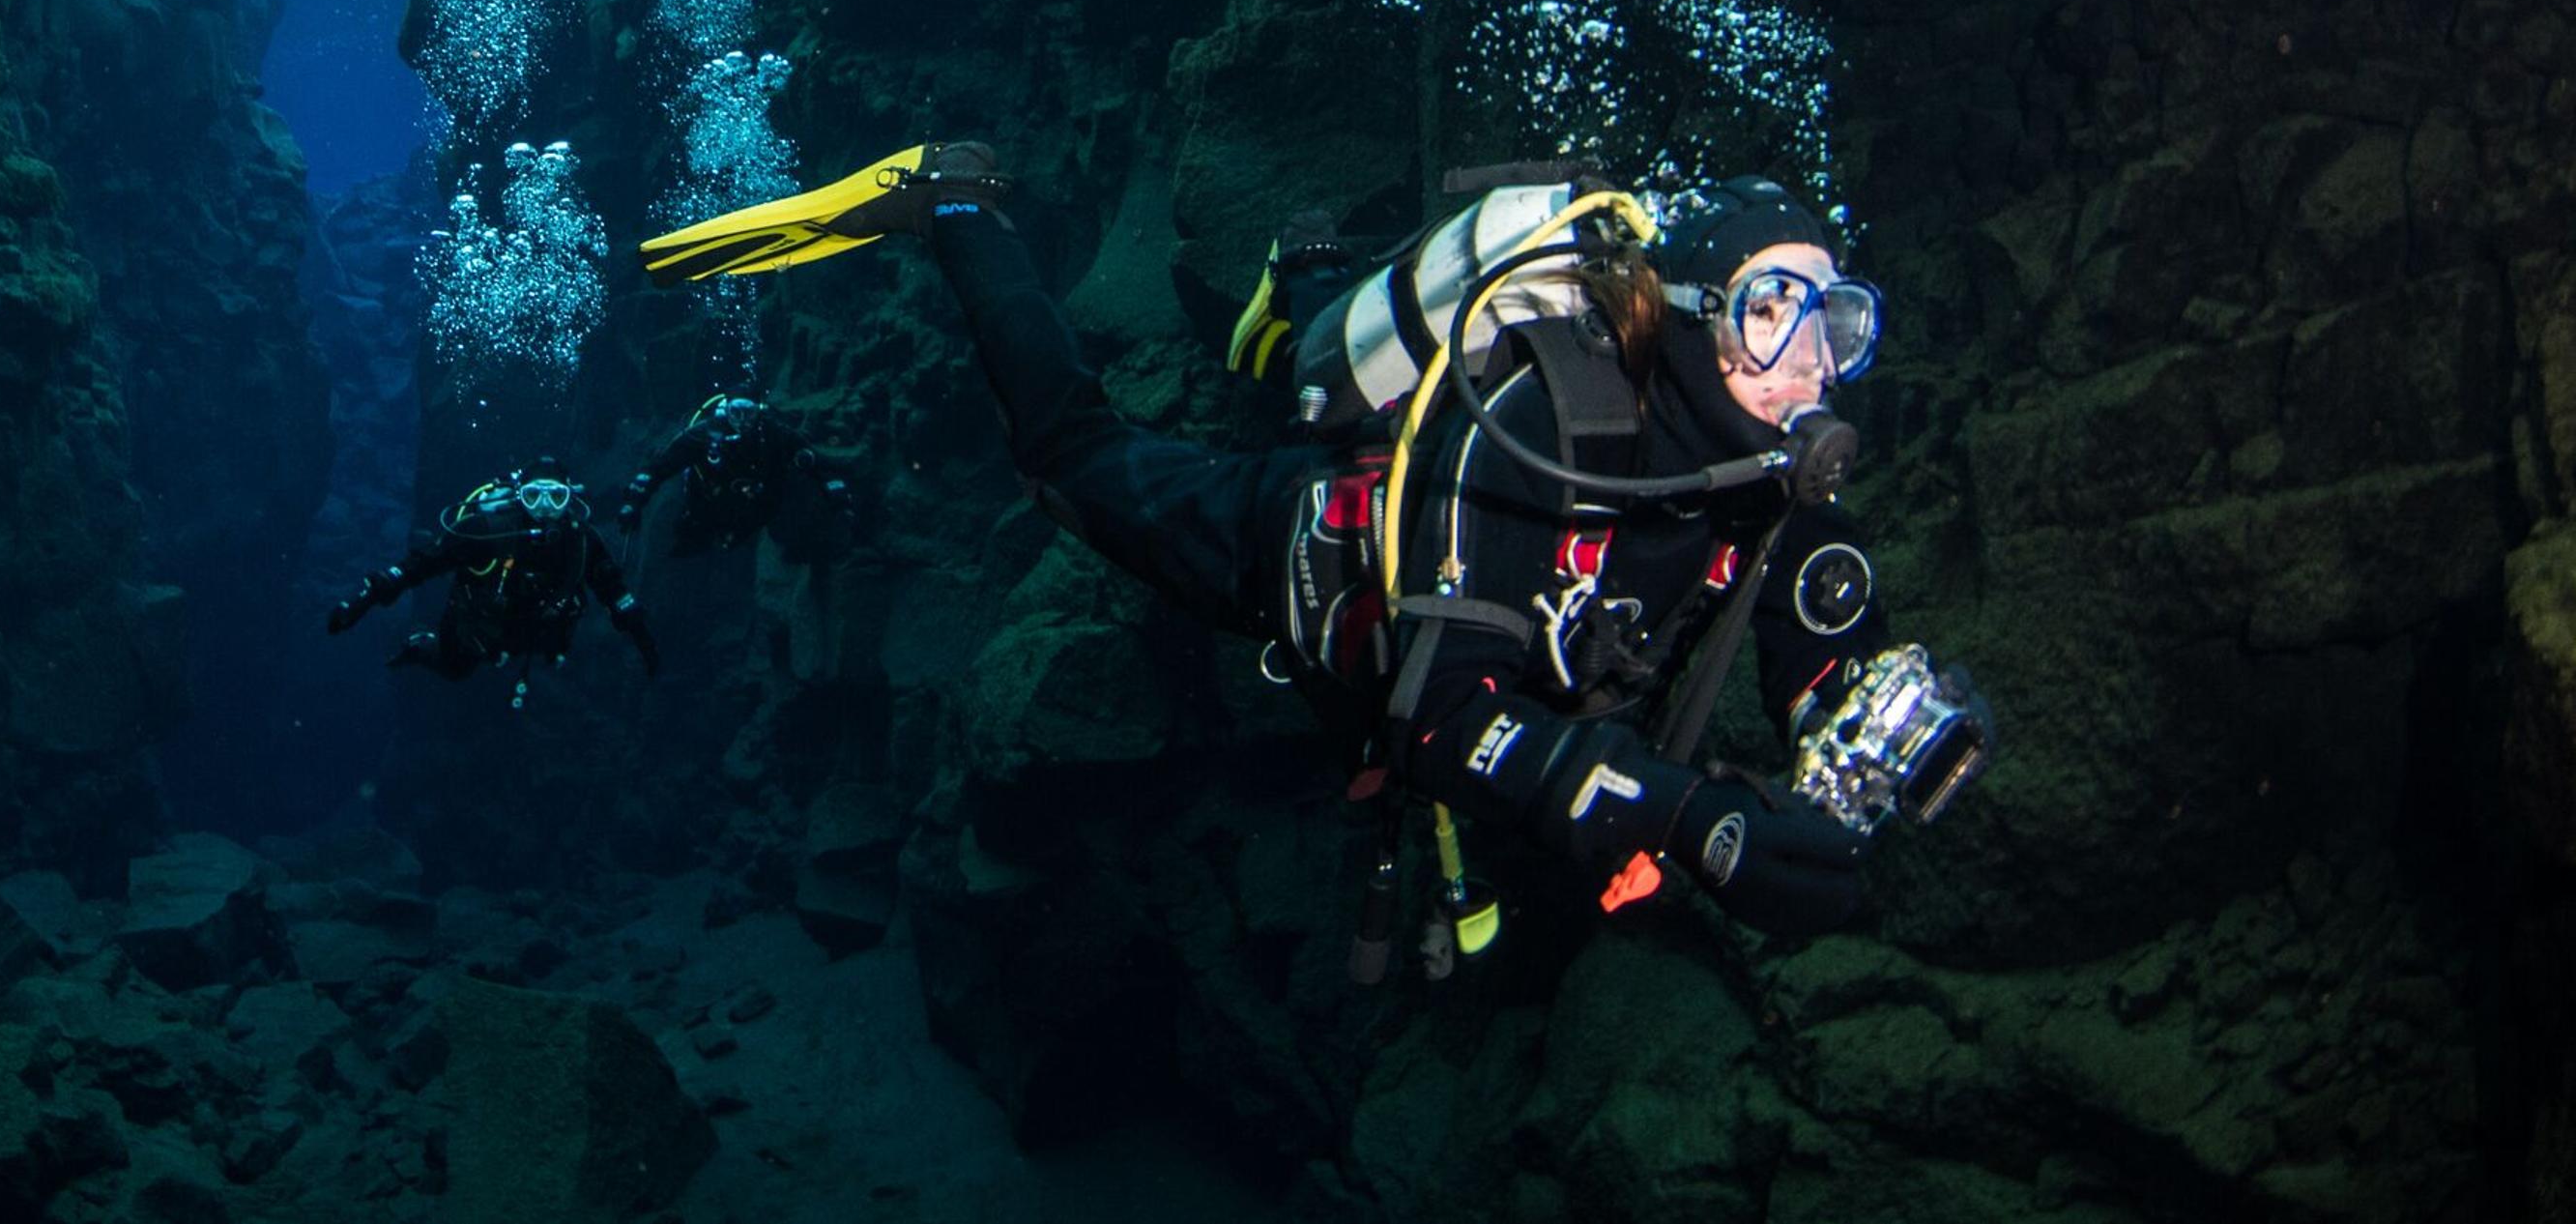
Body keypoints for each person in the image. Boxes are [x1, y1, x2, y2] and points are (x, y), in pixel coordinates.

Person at [644, 147, 1987, 954]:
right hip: (1294, 557)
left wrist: (1874, 741)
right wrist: (1683, 813)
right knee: (1073, 463)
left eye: (1839, 322)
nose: (1810, 361)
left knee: (1273, 381)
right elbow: (1443, 718)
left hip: (1479, 657)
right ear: (1695, 317)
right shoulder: (1549, 418)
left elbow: (1825, 659)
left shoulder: (1777, 480)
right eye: (1775, 309)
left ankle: (1290, 304)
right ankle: (954, 205)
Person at [324, 463, 659, 698]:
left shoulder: (582, 540)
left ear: (570, 498)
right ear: (520, 496)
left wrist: (640, 633)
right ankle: (419, 645)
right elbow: (424, 563)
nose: (544, 508)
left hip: (535, 632)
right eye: (534, 496)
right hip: (481, 628)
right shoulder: (489, 530)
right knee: (455, 669)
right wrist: (371, 594)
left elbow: (611, 587)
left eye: (555, 497)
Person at [617, 394, 848, 559]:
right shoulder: (704, 435)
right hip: (709, 505)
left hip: (758, 507)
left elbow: (811, 457)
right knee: (691, 538)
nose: (742, 420)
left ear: (759, 411)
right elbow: (659, 468)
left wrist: (834, 489)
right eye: (736, 412)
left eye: (749, 412)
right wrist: (634, 502)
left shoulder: (773, 432)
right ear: (726, 410)